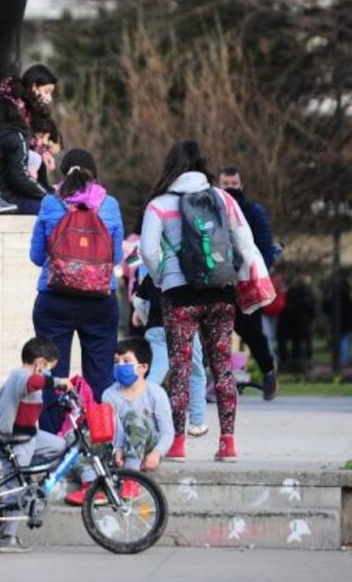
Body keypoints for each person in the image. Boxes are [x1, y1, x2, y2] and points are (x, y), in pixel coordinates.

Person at [140, 141, 269, 463]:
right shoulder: (223, 199)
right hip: (220, 292)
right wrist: (238, 279)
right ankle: (227, 443)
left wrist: (162, 278)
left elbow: (148, 251)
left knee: (181, 369)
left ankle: (178, 443)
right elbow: (245, 242)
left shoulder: (158, 204)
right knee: (222, 367)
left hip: (179, 296)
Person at [29, 149, 125, 432]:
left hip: (54, 301)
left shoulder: (49, 202)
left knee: (51, 374)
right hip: (100, 301)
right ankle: (99, 441)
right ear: (94, 175)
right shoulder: (110, 204)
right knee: (100, 376)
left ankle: (51, 444)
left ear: (63, 173)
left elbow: (36, 256)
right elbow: (116, 256)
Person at [0, 336, 71, 553]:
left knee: (60, 445)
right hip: (15, 439)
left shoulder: (16, 376)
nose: (49, 374)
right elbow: (34, 383)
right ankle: (8, 537)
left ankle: (18, 472)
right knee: (18, 489)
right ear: (40, 364)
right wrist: (58, 381)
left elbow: (0, 394)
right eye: (49, 369)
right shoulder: (24, 376)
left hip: (29, 435)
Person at [218, 166, 279, 399]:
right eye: (226, 184)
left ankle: (268, 370)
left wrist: (255, 277)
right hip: (219, 282)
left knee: (251, 332)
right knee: (217, 333)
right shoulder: (213, 209)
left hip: (245, 282)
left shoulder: (253, 211)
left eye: (234, 184)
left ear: (241, 185)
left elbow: (265, 248)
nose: (231, 188)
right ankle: (220, 382)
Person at [133, 271, 209, 437]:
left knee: (155, 373)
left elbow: (138, 300)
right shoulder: (188, 270)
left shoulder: (154, 272)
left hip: (156, 328)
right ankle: (197, 422)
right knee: (195, 372)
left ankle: (137, 411)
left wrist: (147, 320)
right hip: (186, 328)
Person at [102, 338, 174, 474]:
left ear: (143, 368)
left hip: (148, 446)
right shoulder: (109, 394)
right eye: (116, 361)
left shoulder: (156, 393)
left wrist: (157, 453)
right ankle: (90, 483)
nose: (120, 365)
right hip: (121, 448)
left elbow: (167, 431)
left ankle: (131, 478)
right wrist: (118, 449)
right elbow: (116, 429)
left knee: (133, 417)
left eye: (126, 361)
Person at [0, 64, 59, 173]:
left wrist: (43, 152)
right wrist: (41, 152)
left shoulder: (26, 106)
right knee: (33, 159)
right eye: (46, 92)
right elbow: (21, 136)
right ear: (34, 86)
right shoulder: (14, 104)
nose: (49, 98)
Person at [0, 97, 49, 214]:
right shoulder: (15, 137)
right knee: (54, 209)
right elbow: (19, 176)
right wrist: (47, 194)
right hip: (8, 199)